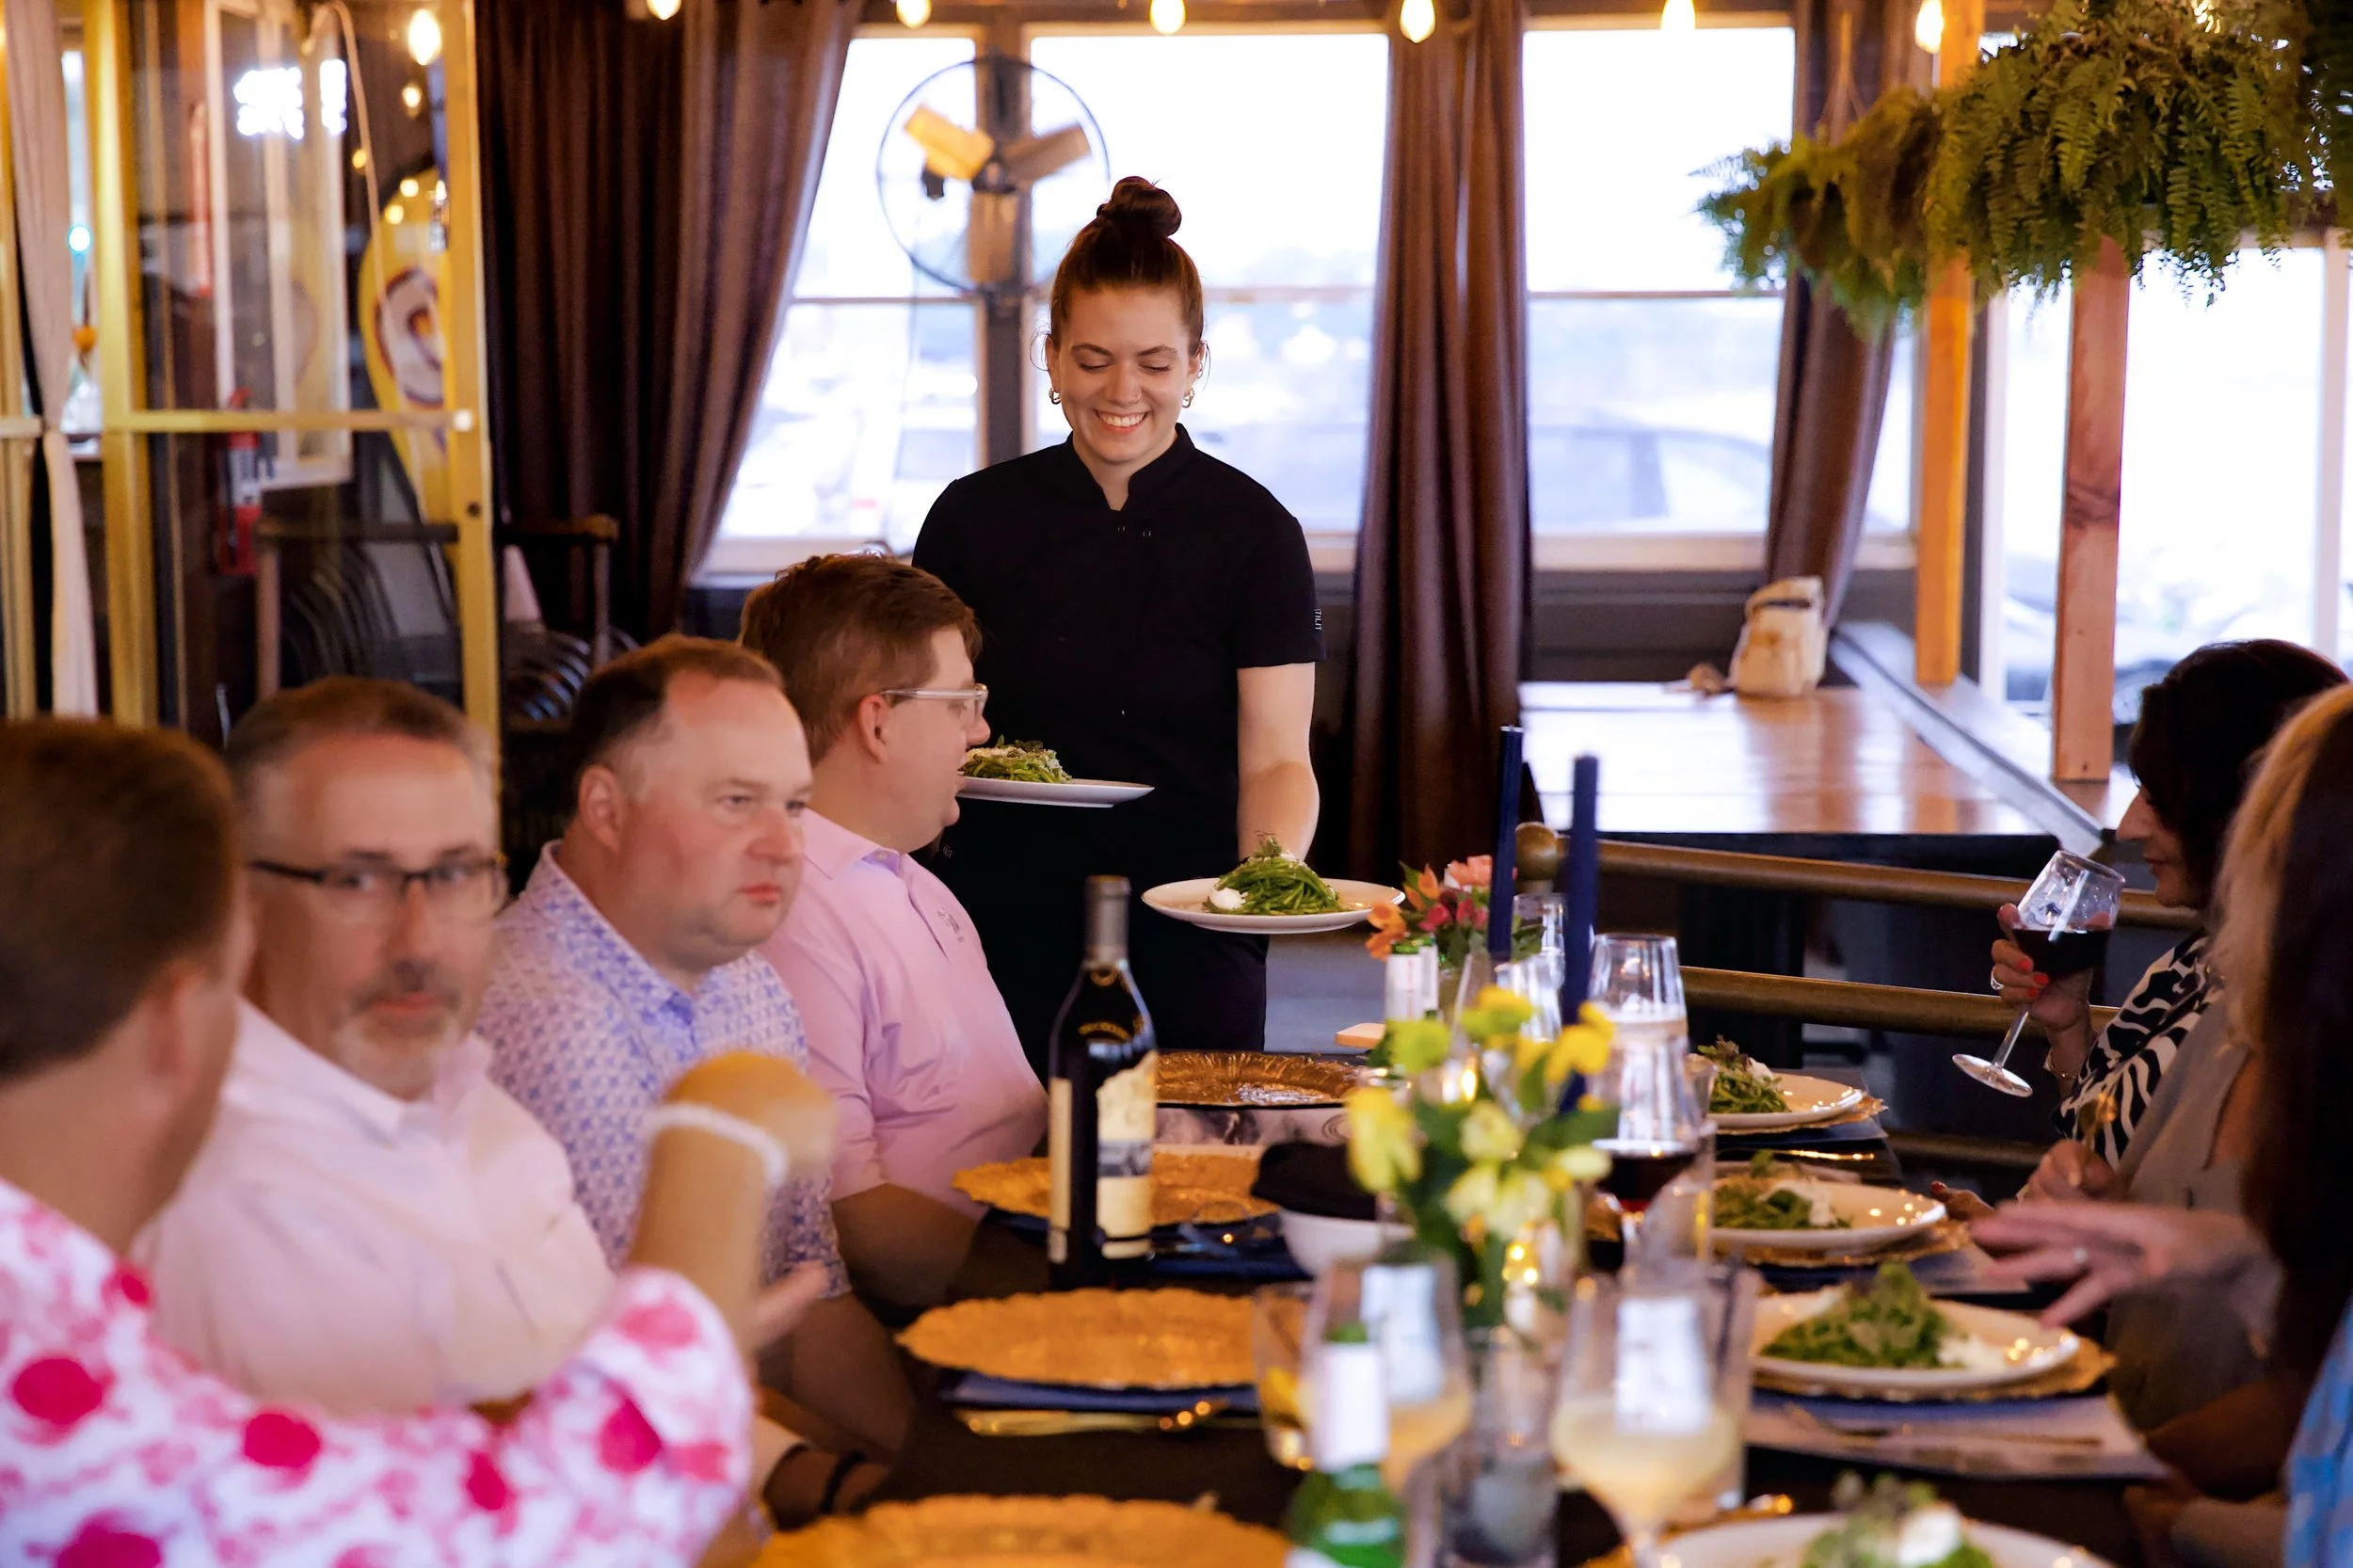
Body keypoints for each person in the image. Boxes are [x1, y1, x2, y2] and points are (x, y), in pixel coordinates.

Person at [0, 715, 838, 1564]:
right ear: (189, 1007)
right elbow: (548, 1525)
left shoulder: (477, 1100)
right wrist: (717, 1141)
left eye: (456, 875)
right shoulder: (64, 1345)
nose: (419, 938)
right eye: (356, 881)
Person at [912, 175, 1324, 1066]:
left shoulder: (1255, 534)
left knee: (1186, 1173)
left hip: (1190, 916)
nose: (1122, 391)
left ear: (1196, 364)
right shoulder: (971, 519)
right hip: (996, 913)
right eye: (1093, 361)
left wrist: (1263, 881)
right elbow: (915, 718)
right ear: (1051, 357)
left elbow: (1280, 758)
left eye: (1156, 363)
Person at [480, 636, 915, 1460]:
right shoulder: (552, 1025)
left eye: (793, 806)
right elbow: (644, 1403)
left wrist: (930, 1475)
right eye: (736, 802)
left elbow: (811, 1293)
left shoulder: (744, 980)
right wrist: (870, 1493)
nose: (785, 846)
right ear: (606, 809)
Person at [1977, 680, 2353, 1568]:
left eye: (2268, 853)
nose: (2134, 825)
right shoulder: (2220, 995)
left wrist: (2153, 1507)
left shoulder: (2294, 1035)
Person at [740, 554, 1047, 1311]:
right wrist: (1077, 1297)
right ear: (877, 721)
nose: (980, 732)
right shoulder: (792, 913)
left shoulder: (910, 878)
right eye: (962, 703)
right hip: (946, 1316)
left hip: (1026, 1235)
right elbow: (853, 1227)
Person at [1978, 641, 2343, 1193]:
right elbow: (2106, 1151)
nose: (2127, 828)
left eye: (2159, 798)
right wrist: (2068, 1023)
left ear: (2239, 806)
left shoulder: (2285, 1010)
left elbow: (2187, 1228)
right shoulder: (2198, 962)